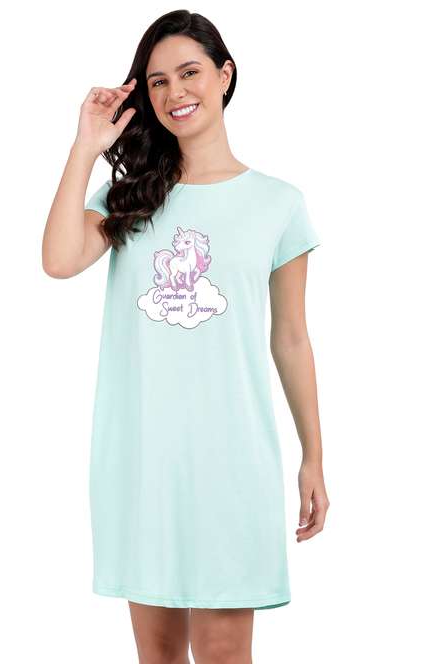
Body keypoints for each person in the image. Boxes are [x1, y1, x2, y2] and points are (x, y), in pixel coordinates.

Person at [42, 9, 329, 664]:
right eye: (158, 81)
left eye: (190, 72)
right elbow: (58, 261)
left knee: (225, 651)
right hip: (143, 459)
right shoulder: (130, 195)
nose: (176, 92)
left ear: (225, 75)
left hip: (234, 460)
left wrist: (313, 455)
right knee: (160, 656)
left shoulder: (278, 204)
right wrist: (85, 146)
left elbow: (291, 338)